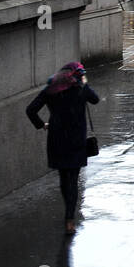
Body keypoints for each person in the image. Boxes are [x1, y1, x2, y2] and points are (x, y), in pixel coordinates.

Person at [26, 61, 100, 235]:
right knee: (73, 178)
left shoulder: (51, 89)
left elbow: (31, 110)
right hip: (76, 140)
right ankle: (69, 219)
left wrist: (42, 125)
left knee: (63, 177)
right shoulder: (80, 88)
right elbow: (95, 99)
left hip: (57, 139)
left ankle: (68, 213)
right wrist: (84, 82)